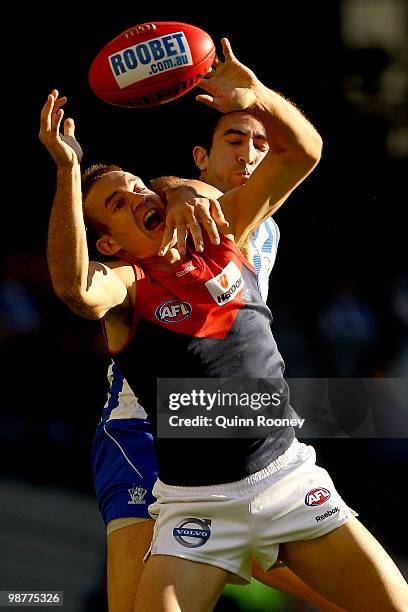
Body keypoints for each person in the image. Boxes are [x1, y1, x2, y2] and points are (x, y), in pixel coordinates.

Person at [40, 39, 408, 612]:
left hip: (249, 442)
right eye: (234, 139)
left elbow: (299, 152)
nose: (251, 152)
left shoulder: (251, 227)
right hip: (148, 426)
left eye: (260, 141)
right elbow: (83, 285)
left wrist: (257, 98)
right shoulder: (148, 253)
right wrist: (152, 186)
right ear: (197, 158)